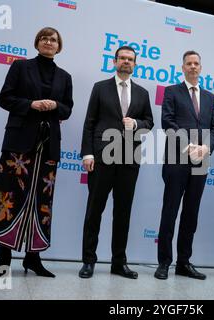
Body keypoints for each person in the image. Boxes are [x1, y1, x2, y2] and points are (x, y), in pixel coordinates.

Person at [0, 27, 74, 278]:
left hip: (48, 146)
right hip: (19, 143)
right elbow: (5, 98)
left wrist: (55, 105)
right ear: (37, 43)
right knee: (9, 195)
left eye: (53, 39)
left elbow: (67, 110)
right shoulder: (20, 67)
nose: (48, 42)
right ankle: (4, 257)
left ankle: (33, 258)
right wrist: (30, 104)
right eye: (44, 38)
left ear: (59, 46)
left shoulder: (65, 77)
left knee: (42, 202)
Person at [79, 46, 154, 279]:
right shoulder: (100, 88)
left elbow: (149, 122)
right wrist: (87, 154)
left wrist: (137, 125)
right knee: (95, 211)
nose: (126, 62)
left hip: (129, 160)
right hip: (102, 157)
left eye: (130, 59)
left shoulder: (142, 93)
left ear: (135, 64)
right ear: (114, 61)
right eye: (122, 58)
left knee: (123, 213)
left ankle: (118, 263)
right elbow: (90, 123)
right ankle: (88, 261)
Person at [154, 51, 214, 280]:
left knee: (191, 213)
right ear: (182, 67)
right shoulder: (172, 92)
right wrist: (190, 144)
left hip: (201, 161)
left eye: (196, 63)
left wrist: (206, 148)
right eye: (189, 63)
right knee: (170, 211)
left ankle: (184, 262)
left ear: (201, 68)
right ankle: (164, 262)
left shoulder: (211, 98)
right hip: (177, 158)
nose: (193, 67)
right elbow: (167, 122)